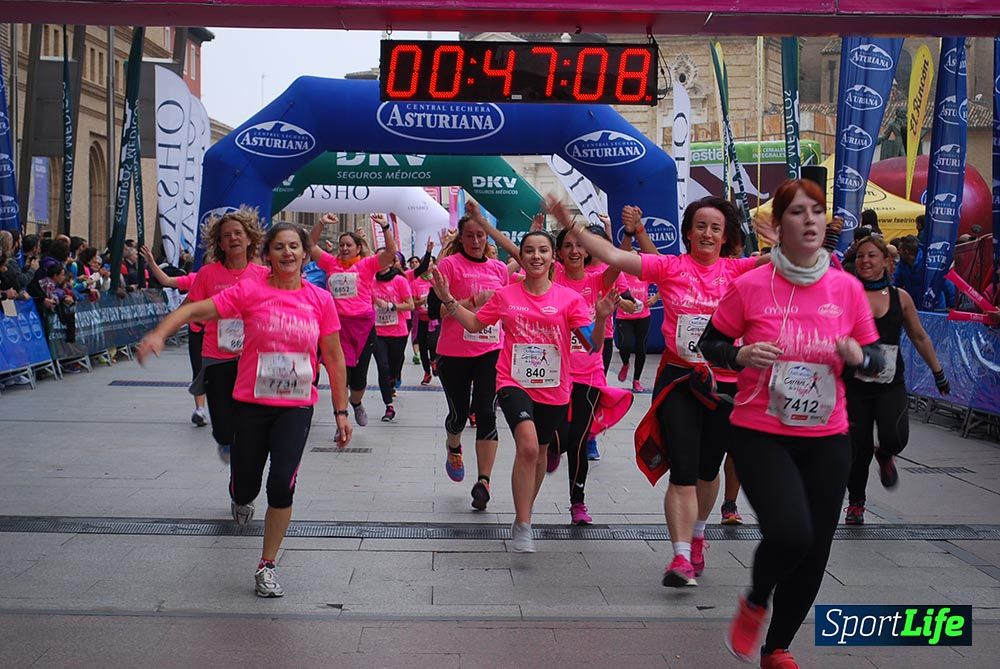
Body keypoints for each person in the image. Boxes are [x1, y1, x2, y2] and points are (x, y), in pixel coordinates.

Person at [697, 179, 884, 668]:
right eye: (797, 212)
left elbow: (879, 361)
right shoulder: (750, 285)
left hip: (827, 436)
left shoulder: (846, 288)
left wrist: (857, 355)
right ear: (777, 227)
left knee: (816, 547)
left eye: (817, 211)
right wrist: (740, 353)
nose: (809, 220)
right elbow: (710, 343)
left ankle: (777, 647)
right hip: (761, 431)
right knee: (791, 532)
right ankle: (756, 599)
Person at [556, 197, 770, 587]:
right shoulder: (670, 266)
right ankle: (680, 556)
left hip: (725, 382)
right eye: (700, 226)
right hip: (678, 379)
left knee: (708, 468)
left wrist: (784, 239)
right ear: (688, 232)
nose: (707, 233)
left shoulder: (738, 271)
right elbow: (613, 257)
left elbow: (790, 262)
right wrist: (571, 226)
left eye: (715, 228)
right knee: (684, 469)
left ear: (726, 237)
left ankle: (699, 534)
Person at [137, 222, 352, 598]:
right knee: (248, 485)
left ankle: (267, 565)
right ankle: (238, 492)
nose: (288, 253)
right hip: (251, 404)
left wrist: (341, 411)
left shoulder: (320, 299)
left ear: (305, 254)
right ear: (267, 254)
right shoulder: (250, 290)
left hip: (296, 407)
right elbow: (193, 311)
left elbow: (333, 358)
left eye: (294, 247)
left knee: (282, 483)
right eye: (280, 247)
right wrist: (158, 334)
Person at [429, 229, 614, 551]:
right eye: (529, 251)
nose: (536, 256)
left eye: (543, 250)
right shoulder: (506, 295)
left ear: (552, 256)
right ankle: (525, 522)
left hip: (555, 387)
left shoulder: (568, 299)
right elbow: (474, 325)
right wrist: (447, 299)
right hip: (513, 382)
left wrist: (599, 319)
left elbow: (592, 345)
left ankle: (522, 516)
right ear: (522, 257)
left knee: (540, 451)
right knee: (527, 446)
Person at [845, 235, 950, 525]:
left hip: (890, 383)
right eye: (861, 256)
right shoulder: (848, 294)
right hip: (854, 385)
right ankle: (856, 503)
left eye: (872, 256)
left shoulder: (900, 297)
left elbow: (919, 336)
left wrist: (938, 371)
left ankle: (887, 453)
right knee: (858, 448)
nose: (865, 261)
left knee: (896, 436)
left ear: (886, 261)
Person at [426, 205, 510, 511]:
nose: (475, 241)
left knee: (487, 412)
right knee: (459, 414)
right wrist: (473, 301)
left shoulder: (499, 270)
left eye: (480, 235)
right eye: (469, 236)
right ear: (460, 239)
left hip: (490, 350)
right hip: (454, 352)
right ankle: (453, 444)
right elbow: (434, 313)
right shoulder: (448, 267)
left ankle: (483, 482)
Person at [545, 206, 623, 524]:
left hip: (590, 370)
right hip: (556, 371)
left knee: (579, 439)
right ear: (559, 253)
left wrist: (618, 229)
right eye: (568, 245)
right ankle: (553, 446)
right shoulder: (552, 277)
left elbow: (618, 261)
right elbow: (520, 256)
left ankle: (578, 503)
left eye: (580, 245)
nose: (575, 250)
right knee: (561, 435)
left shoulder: (598, 279)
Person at [175, 207, 268, 461]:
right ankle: (226, 441)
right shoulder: (207, 274)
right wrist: (163, 331)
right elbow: (190, 308)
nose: (234, 238)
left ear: (250, 238)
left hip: (253, 358)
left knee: (250, 421)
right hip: (217, 358)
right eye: (227, 235)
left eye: (238, 233)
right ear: (220, 244)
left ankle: (244, 470)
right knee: (223, 426)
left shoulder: (264, 276)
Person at [311, 214, 397, 433]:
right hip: (337, 327)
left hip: (363, 327)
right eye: (341, 245)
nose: (344, 248)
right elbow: (309, 245)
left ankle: (356, 403)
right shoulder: (331, 263)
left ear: (358, 248)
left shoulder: (367, 265)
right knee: (339, 377)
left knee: (358, 382)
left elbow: (390, 254)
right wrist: (320, 223)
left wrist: (385, 227)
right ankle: (341, 420)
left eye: (349, 245)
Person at [141, 245, 211, 428]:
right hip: (198, 330)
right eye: (208, 264)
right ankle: (200, 410)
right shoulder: (196, 278)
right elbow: (166, 280)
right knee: (198, 370)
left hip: (223, 335)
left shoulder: (230, 281)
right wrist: (152, 262)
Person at [372, 252, 414, 422]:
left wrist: (390, 306)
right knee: (382, 367)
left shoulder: (399, 280)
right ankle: (389, 406)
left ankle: (393, 379)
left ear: (390, 263)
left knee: (394, 367)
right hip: (377, 331)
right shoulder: (370, 281)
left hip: (398, 331)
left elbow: (410, 305)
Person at [615, 255, 658, 392]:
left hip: (643, 317)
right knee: (625, 345)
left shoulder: (643, 275)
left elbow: (666, 282)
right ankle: (625, 363)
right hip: (624, 317)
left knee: (641, 348)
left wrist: (656, 297)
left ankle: (636, 380)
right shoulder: (620, 275)